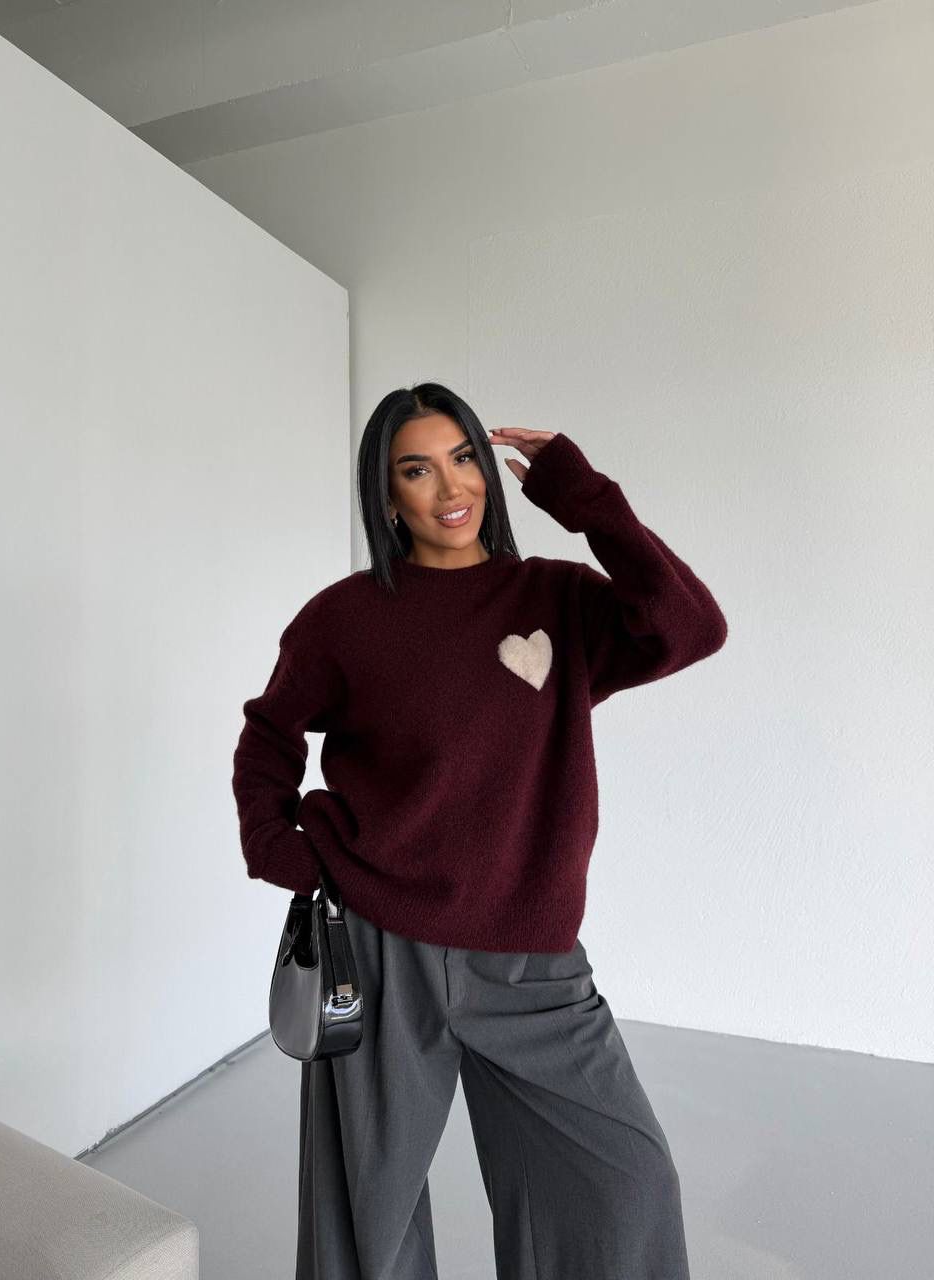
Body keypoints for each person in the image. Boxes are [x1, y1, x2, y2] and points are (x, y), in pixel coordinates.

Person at [231, 382, 727, 1279]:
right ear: (388, 496)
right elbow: (269, 735)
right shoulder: (343, 618)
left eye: (463, 457)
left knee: (627, 1185)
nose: (450, 485)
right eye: (416, 470)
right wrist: (279, 850)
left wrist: (585, 499)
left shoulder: (557, 600)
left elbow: (691, 627)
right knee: (366, 1220)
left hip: (533, 965)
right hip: (381, 949)